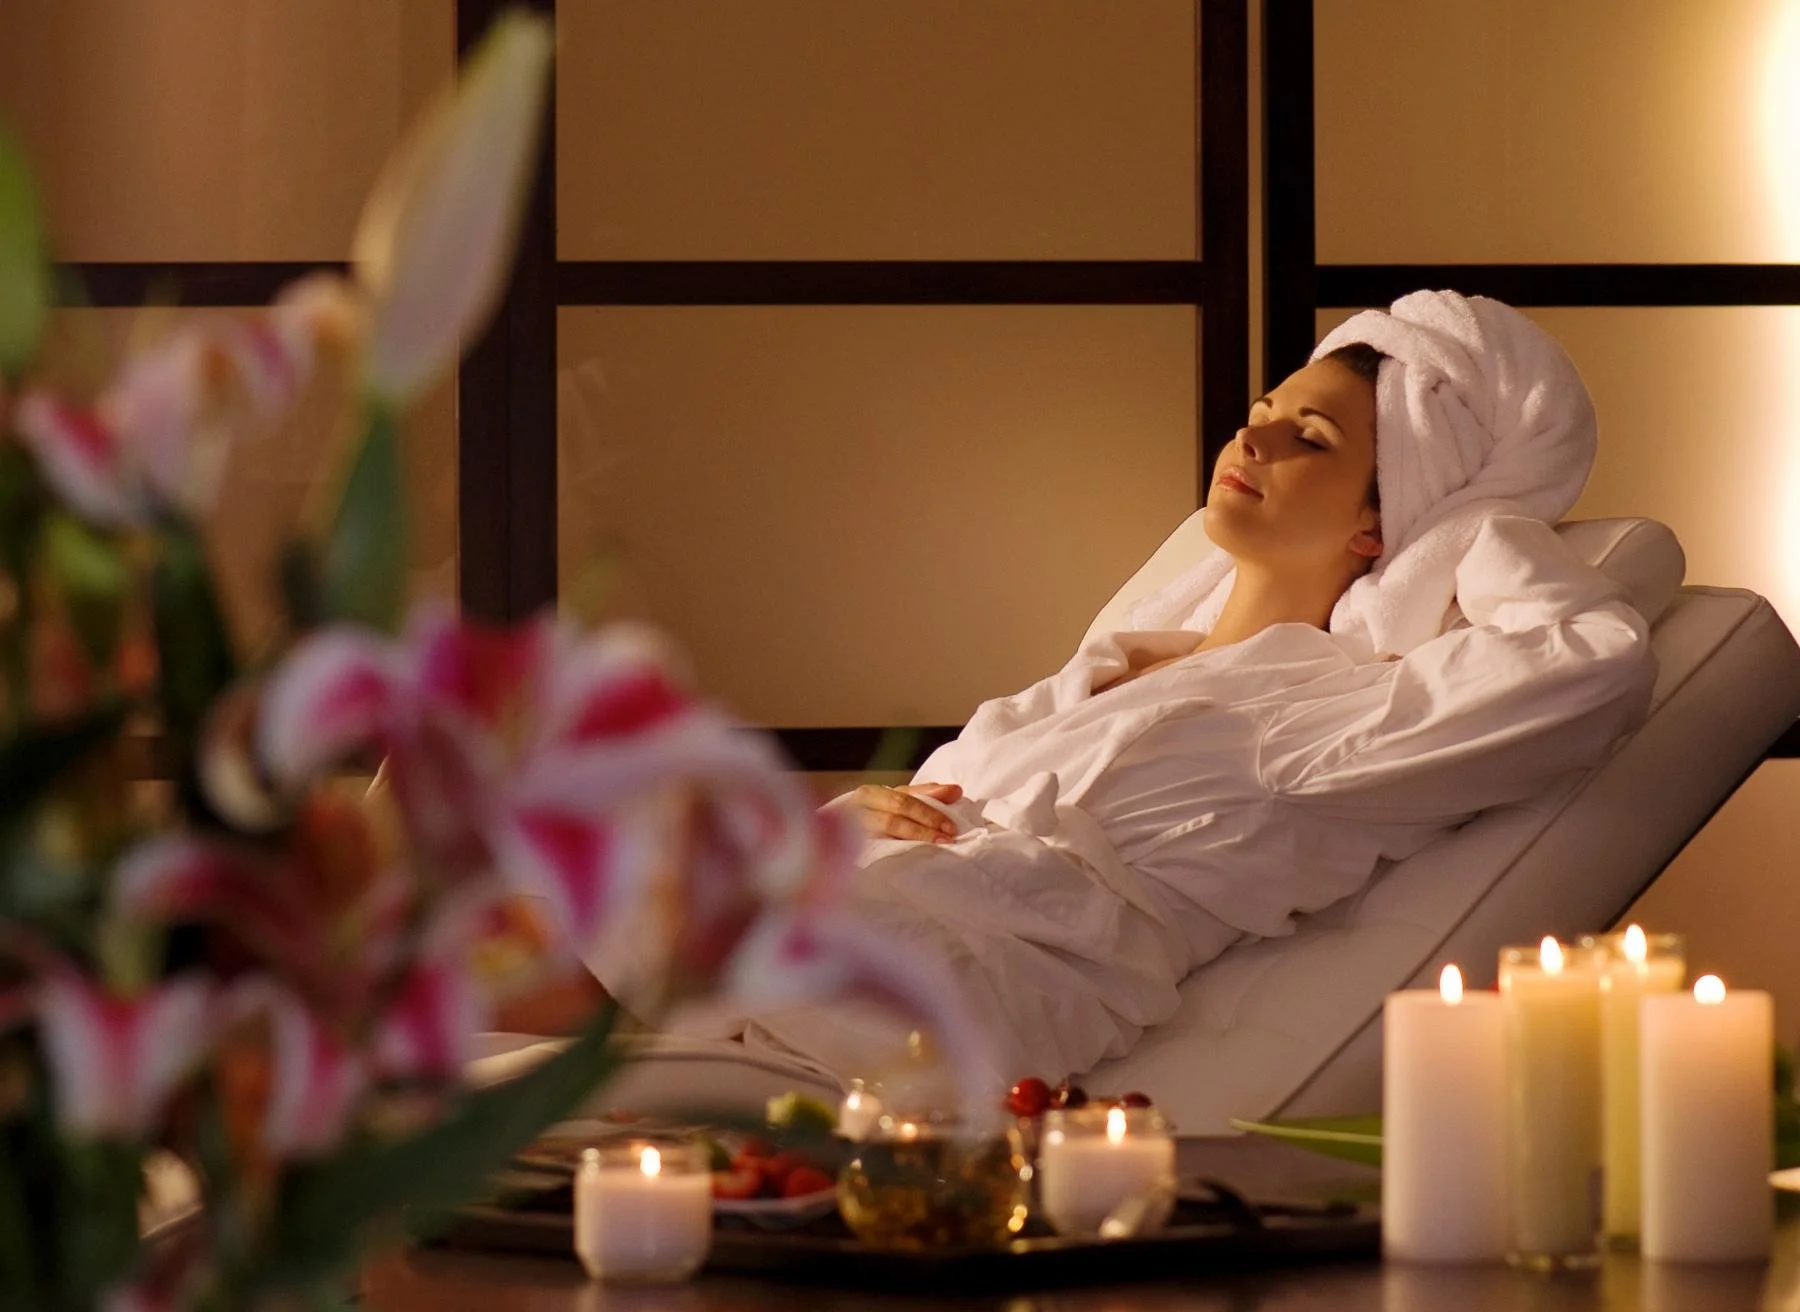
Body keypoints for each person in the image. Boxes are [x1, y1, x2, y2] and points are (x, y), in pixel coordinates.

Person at [700, 290, 1657, 1089]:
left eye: (1309, 438)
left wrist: (1478, 529)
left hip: (974, 1001)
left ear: (1382, 521)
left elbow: (1587, 657)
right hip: (861, 936)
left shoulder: (1324, 716)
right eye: (1263, 412)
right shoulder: (1110, 669)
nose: (1255, 436)